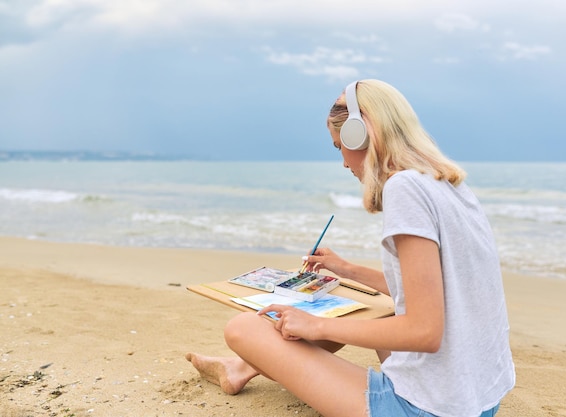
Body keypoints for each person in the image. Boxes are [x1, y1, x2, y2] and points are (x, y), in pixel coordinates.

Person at [186, 79, 515, 417]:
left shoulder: (404, 188)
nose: (344, 162)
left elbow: (425, 331)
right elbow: (435, 293)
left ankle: (243, 364)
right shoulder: (447, 184)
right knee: (366, 302)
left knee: (242, 327)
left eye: (338, 147)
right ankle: (241, 368)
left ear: (358, 134)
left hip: (429, 409)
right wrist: (346, 270)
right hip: (478, 401)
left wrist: (317, 326)